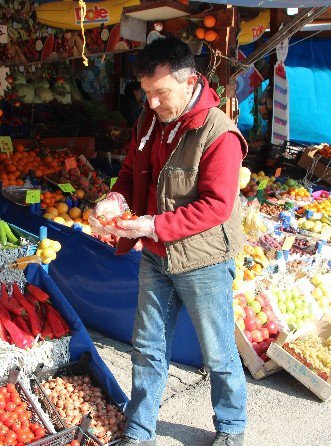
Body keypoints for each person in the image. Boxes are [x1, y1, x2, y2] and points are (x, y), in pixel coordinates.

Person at [90, 36, 248, 446]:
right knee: (146, 348)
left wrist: (151, 226)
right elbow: (129, 172)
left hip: (204, 260)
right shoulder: (147, 121)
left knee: (217, 352)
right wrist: (115, 199)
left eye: (161, 93)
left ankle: (231, 426)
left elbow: (216, 206)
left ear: (190, 81)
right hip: (156, 258)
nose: (154, 103)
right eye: (147, 93)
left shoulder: (219, 135)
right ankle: (140, 430)